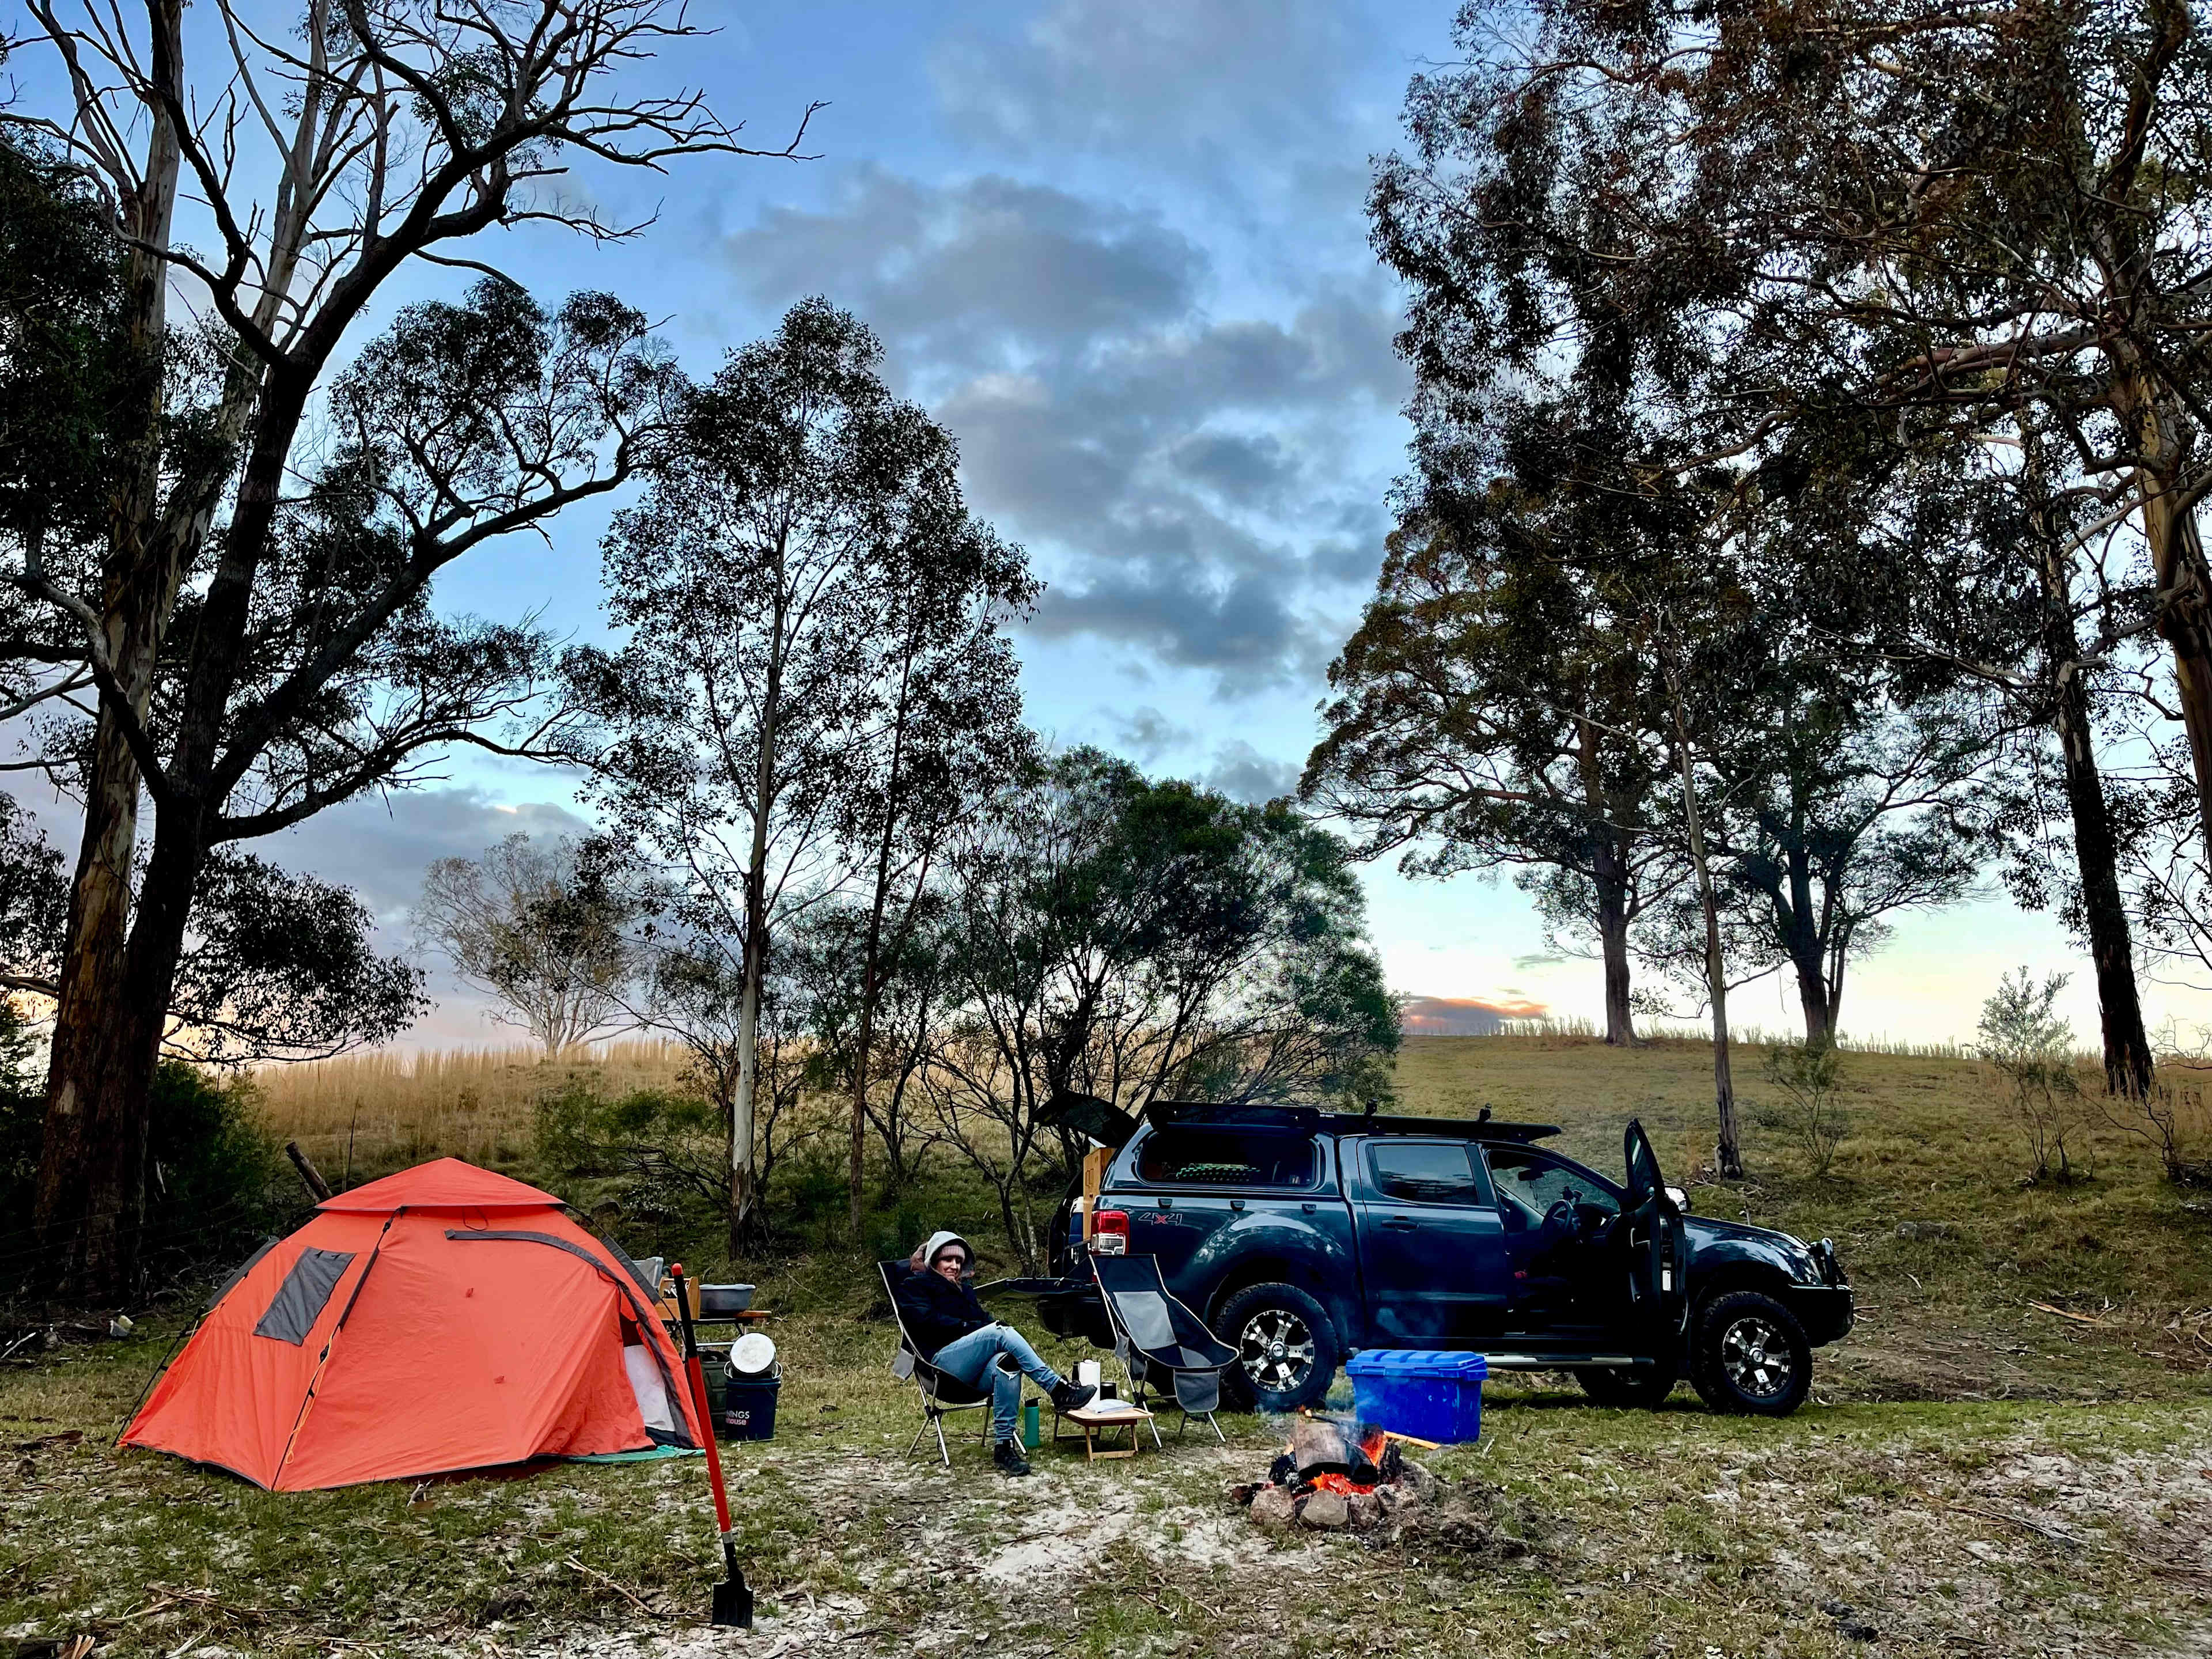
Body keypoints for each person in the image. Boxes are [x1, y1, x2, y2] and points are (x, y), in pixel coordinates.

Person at [895, 1230, 1095, 1475]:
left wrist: (981, 1327)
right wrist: (970, 1328)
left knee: (1007, 1364)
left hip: (971, 1372)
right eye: (948, 1260)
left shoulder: (965, 1291)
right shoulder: (915, 1286)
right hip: (940, 1365)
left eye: (959, 1261)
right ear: (934, 1260)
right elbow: (924, 1322)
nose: (955, 1266)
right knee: (1000, 1332)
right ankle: (1057, 1389)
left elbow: (984, 1321)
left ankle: (1003, 1448)